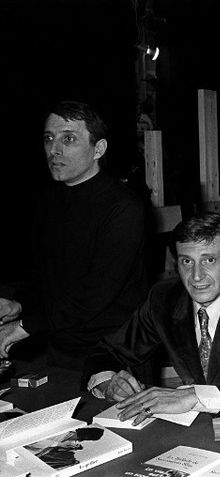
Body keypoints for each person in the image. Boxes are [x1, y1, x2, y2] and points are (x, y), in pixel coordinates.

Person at [83, 212, 220, 423]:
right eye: (187, 262)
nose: (196, 276)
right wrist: (107, 382)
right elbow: (108, 351)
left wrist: (196, 396)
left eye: (209, 261)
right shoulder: (164, 298)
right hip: (197, 428)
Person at [0, 101, 148, 368]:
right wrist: (18, 304)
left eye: (68, 139)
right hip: (61, 347)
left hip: (115, 354)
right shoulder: (48, 201)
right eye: (49, 138)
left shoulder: (124, 207)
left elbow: (94, 294)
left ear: (98, 149)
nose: (54, 150)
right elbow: (43, 279)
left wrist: (22, 326)